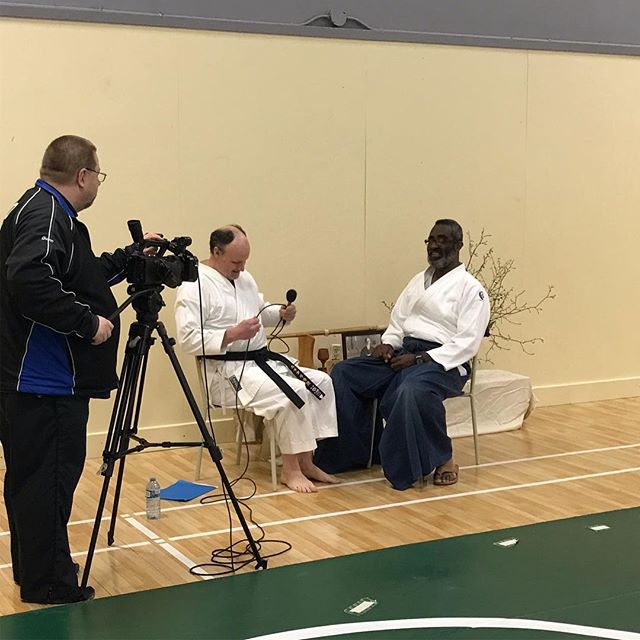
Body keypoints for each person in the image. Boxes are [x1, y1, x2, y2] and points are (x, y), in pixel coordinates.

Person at [0, 135, 158, 604]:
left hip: (31, 381)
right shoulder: (48, 215)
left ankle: (36, 571)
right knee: (47, 481)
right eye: (98, 176)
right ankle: (49, 584)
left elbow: (76, 274)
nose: (97, 185)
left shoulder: (42, 209)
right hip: (43, 381)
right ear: (84, 176)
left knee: (30, 481)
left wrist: (128, 260)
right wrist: (88, 325)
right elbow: (28, 277)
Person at [314, 219, 490, 490]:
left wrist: (421, 359)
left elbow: (467, 342)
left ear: (458, 245)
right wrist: (388, 343)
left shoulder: (471, 289)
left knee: (412, 388)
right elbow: (398, 322)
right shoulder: (418, 281)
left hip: (444, 362)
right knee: (345, 372)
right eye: (430, 240)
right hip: (405, 353)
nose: (434, 246)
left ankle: (441, 457)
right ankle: (358, 453)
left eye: (442, 240)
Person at [174, 225, 340, 494]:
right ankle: (290, 469)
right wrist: (231, 335)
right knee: (293, 390)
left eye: (245, 262)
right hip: (226, 373)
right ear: (216, 252)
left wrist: (280, 314)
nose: (241, 269)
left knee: (320, 381)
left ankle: (306, 461)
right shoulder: (194, 285)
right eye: (236, 262)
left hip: (261, 363)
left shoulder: (244, 278)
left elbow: (259, 311)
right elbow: (188, 339)